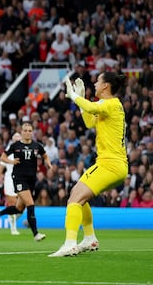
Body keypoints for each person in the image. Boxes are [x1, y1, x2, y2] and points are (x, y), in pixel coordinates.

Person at [49, 73, 127, 257]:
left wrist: (76, 97)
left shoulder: (112, 104)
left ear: (106, 86)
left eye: (98, 81)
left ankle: (69, 243)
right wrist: (81, 100)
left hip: (110, 164)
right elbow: (89, 122)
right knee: (77, 195)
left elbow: (90, 106)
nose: (94, 83)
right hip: (112, 164)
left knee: (74, 200)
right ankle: (89, 238)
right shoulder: (108, 106)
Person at [0, 121, 52, 242]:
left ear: (32, 132)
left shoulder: (37, 145)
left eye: (30, 131)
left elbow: (45, 155)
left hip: (31, 180)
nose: (27, 133)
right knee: (30, 204)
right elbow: (2, 157)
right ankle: (36, 233)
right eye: (25, 130)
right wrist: (11, 162)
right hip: (19, 179)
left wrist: (48, 162)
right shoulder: (16, 145)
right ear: (21, 132)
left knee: (19, 209)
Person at [0, 132, 22, 235]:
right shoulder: (8, 152)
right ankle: (13, 228)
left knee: (22, 207)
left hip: (21, 180)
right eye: (16, 140)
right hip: (10, 180)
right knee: (13, 203)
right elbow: (0, 169)